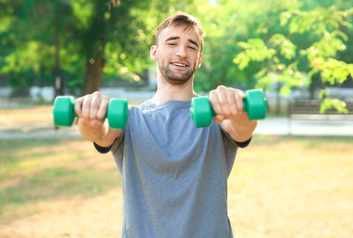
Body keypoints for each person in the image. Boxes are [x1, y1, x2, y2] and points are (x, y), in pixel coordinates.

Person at [75, 12, 259, 237]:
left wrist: (237, 107)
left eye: (192, 47)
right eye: (172, 43)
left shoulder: (216, 116)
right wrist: (89, 117)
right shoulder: (131, 118)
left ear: (199, 59)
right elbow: (99, 134)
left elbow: (243, 128)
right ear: (155, 52)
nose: (182, 52)